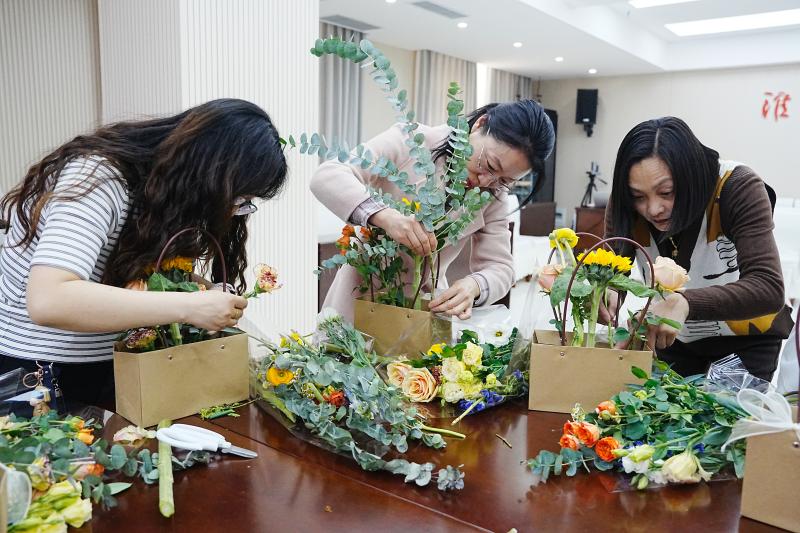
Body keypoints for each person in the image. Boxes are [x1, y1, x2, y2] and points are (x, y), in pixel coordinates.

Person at [0, 98, 288, 407]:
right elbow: (50, 300)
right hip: (36, 372)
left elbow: (133, 271)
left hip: (107, 362)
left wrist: (200, 289)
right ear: (210, 174)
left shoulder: (160, 194)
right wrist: (189, 306)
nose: (233, 211)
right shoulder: (99, 178)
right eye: (238, 198)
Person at [312, 100, 555, 321]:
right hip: (360, 297)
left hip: (425, 309)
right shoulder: (412, 141)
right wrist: (385, 217)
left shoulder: (492, 194)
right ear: (480, 125)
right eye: (490, 164)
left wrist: (474, 285)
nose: (486, 181)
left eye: (504, 180)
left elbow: (501, 268)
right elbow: (328, 175)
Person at [603, 116, 793, 380]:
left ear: (692, 176)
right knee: (662, 406)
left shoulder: (735, 187)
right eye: (639, 197)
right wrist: (608, 292)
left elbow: (768, 287)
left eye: (666, 192)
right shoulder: (626, 203)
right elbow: (614, 269)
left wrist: (685, 302)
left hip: (745, 338)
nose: (653, 209)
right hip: (673, 338)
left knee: (725, 408)